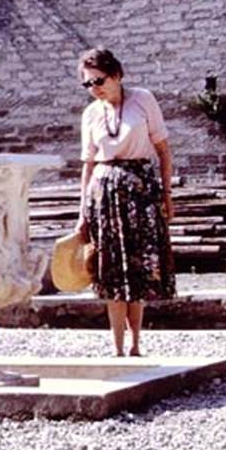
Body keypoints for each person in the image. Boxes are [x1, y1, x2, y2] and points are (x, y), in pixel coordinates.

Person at [74, 48, 175, 357]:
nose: (95, 89)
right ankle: (116, 347)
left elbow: (163, 151)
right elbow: (88, 165)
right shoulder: (91, 114)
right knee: (110, 271)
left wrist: (167, 194)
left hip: (141, 195)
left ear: (116, 74)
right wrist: (82, 213)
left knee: (140, 267)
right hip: (104, 199)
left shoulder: (143, 99)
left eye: (99, 81)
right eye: (87, 84)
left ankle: (136, 345)